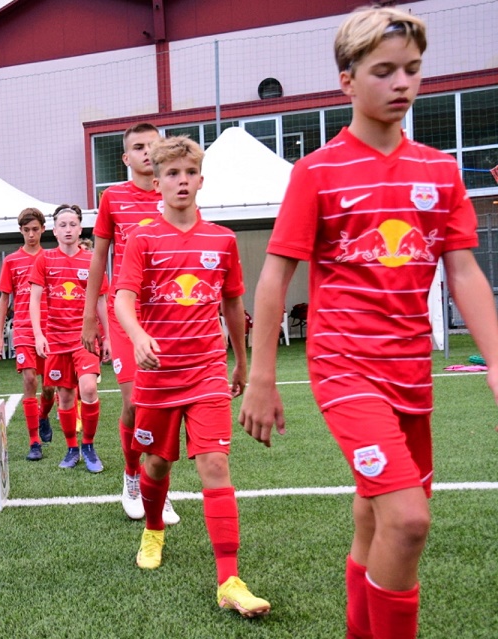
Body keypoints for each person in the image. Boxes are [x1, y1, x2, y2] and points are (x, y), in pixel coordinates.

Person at [238, 8, 498, 638]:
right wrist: (261, 377)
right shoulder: (318, 172)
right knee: (408, 519)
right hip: (344, 367)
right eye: (384, 70)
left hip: (411, 372)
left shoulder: (438, 173)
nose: (402, 82)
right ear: (347, 80)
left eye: (412, 69)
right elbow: (274, 278)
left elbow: (463, 273)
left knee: (375, 518)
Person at [115, 135, 269, 617]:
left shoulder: (221, 239)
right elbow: (123, 297)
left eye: (189, 173)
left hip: (206, 373)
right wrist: (138, 335)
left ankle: (230, 578)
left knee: (215, 466)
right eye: (172, 174)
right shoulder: (142, 236)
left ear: (200, 181)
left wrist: (242, 361)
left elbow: (233, 304)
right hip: (157, 376)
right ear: (156, 182)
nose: (181, 181)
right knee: (156, 465)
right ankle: (154, 528)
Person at [82, 122, 179, 524]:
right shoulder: (113, 198)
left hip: (167, 317)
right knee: (135, 402)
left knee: (162, 408)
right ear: (126, 157)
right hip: (126, 315)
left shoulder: (176, 191)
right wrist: (91, 314)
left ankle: (159, 488)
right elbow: (98, 256)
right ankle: (132, 476)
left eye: (153, 146)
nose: (146, 152)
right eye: (138, 147)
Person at [30, 205, 108, 471]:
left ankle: (89, 445)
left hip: (85, 339)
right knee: (64, 398)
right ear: (54, 230)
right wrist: (38, 334)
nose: (68, 229)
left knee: (88, 389)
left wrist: (106, 336)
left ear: (80, 228)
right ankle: (72, 448)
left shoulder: (92, 260)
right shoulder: (44, 259)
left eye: (72, 224)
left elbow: (100, 300)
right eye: (62, 225)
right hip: (56, 340)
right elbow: (34, 299)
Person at [0, 207, 57, 460]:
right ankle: (34, 443)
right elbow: (3, 299)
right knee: (30, 380)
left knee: (51, 387)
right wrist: (0, 336)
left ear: (43, 229)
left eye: (35, 229)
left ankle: (43, 416)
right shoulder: (11, 261)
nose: (31, 234)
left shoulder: (52, 257)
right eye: (26, 230)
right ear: (20, 231)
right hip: (23, 328)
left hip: (51, 329)